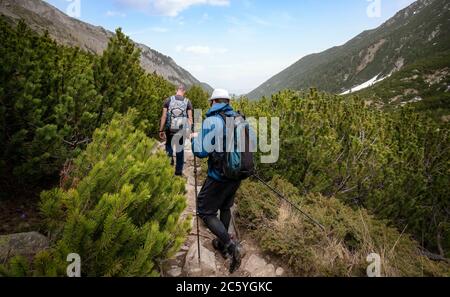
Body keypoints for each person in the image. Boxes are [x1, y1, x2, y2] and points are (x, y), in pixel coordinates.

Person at [191, 88, 243, 273]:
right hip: (236, 174)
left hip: (219, 175)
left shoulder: (212, 120)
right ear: (227, 102)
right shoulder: (238, 118)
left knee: (204, 210)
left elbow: (201, 151)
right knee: (225, 207)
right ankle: (222, 244)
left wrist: (194, 140)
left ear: (213, 102)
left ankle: (230, 245)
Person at [159, 85, 193, 176]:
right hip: (181, 129)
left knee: (169, 146)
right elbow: (190, 118)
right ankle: (178, 172)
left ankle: (168, 167)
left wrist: (161, 130)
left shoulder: (168, 100)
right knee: (179, 149)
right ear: (184, 91)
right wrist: (189, 131)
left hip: (169, 128)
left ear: (176, 90)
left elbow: (164, 116)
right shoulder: (187, 102)